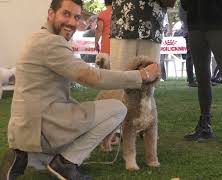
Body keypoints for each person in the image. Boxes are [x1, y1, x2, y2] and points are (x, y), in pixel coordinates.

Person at [0, 0, 160, 180]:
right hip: (42, 126)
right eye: (66, 14)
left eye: (76, 17)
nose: (72, 22)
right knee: (118, 109)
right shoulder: (51, 43)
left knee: (82, 119)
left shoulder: (37, 38)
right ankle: (65, 164)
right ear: (51, 13)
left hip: (24, 128)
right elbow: (90, 76)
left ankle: (24, 156)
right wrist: (140, 76)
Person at [181, 0, 222, 147]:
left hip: (221, 26)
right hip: (195, 27)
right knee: (202, 78)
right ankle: (205, 125)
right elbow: (185, 4)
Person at [109, 0, 166, 166]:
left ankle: (146, 123)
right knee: (121, 79)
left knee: (151, 80)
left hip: (152, 23)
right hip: (123, 21)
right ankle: (120, 128)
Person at [178, 1, 197, 87]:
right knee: (190, 56)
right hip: (190, 31)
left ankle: (204, 79)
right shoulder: (184, 2)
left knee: (203, 56)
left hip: (201, 31)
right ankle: (191, 80)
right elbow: (182, 16)